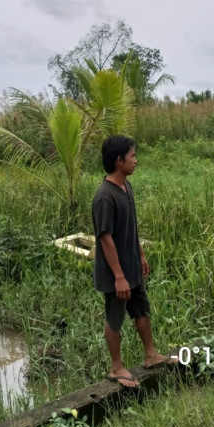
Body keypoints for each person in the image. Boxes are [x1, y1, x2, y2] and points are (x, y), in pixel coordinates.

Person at [92, 135, 177, 389]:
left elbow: (132, 228)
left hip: (131, 266)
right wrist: (118, 276)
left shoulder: (127, 188)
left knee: (141, 308)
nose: (136, 161)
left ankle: (151, 354)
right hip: (115, 273)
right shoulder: (104, 197)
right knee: (115, 318)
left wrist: (140, 255)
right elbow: (106, 239)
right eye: (132, 156)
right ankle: (116, 367)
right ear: (119, 161)